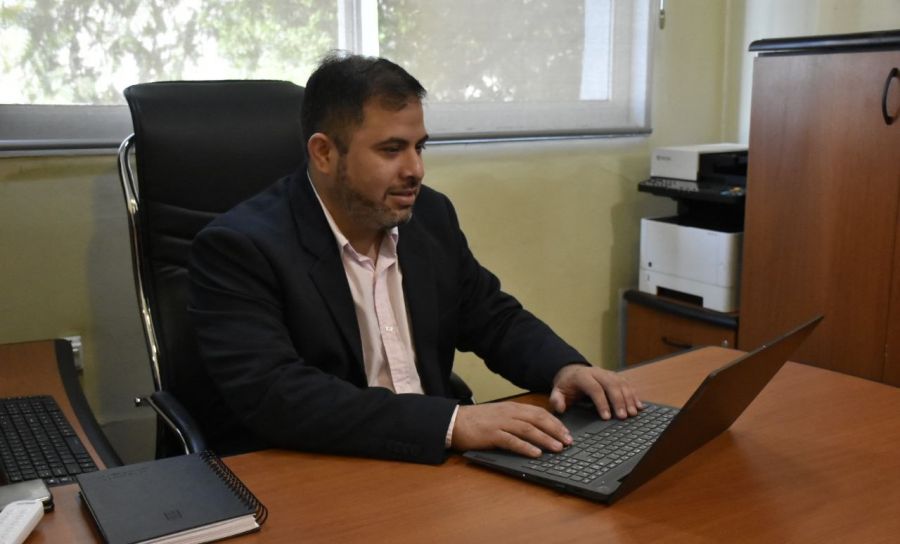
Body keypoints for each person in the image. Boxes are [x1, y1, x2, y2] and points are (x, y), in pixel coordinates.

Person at [188, 52, 642, 464]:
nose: (416, 170)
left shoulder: (429, 216)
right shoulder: (239, 248)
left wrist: (565, 368)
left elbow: (492, 317)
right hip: (318, 467)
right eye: (391, 150)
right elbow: (277, 396)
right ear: (324, 153)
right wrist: (451, 423)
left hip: (431, 462)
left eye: (419, 147)